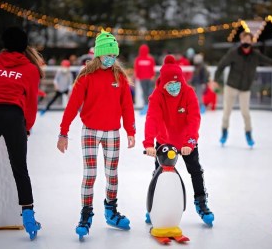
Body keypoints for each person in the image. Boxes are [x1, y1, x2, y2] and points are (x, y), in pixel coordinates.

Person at [56, 30, 136, 239]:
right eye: (108, 54)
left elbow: (127, 106)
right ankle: (86, 214)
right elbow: (72, 106)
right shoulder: (86, 76)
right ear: (99, 54)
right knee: (90, 175)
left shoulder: (119, 77)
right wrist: (63, 132)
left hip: (112, 132)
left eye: (114, 55)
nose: (111, 58)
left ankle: (111, 211)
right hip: (90, 130)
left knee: (112, 175)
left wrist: (130, 130)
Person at [143, 55, 214, 227]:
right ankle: (153, 206)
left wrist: (189, 143)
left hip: (185, 142)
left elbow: (194, 119)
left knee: (195, 170)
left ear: (182, 81)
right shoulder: (157, 96)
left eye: (177, 83)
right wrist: (148, 144)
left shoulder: (188, 93)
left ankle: (201, 203)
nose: (174, 87)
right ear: (163, 83)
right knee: (158, 175)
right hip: (164, 142)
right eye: (170, 84)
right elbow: (152, 119)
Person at [0, 26, 43, 240]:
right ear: (24, 47)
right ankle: (28, 216)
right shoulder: (30, 68)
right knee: (20, 168)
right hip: (13, 116)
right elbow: (31, 103)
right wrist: (27, 126)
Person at [214, 31, 272, 147]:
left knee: (246, 113)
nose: (246, 42)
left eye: (248, 40)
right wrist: (215, 80)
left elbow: (269, 61)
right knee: (226, 113)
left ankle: (248, 134)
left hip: (245, 89)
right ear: (241, 41)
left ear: (251, 41)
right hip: (231, 87)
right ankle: (224, 133)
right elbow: (221, 65)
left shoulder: (255, 55)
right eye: (244, 40)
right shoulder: (234, 53)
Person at [133, 44, 156, 115]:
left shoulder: (140, 59)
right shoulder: (149, 59)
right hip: (145, 78)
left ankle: (149, 107)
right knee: (146, 93)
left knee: (148, 93)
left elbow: (151, 68)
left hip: (146, 79)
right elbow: (137, 69)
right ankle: (146, 107)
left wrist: (137, 76)